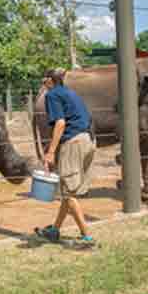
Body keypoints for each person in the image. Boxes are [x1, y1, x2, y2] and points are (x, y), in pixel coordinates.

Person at [36, 68, 96, 245]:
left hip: (73, 142)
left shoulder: (52, 95)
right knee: (67, 191)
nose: (42, 83)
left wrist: (51, 152)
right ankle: (54, 230)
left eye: (43, 79)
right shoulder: (71, 93)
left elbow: (60, 123)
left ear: (50, 81)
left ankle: (87, 237)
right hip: (88, 141)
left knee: (69, 194)